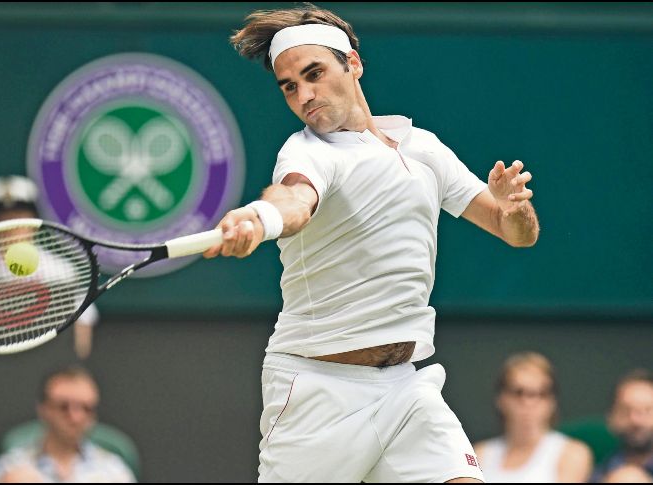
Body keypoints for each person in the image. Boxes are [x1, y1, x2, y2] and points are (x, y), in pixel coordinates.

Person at [202, 4, 540, 482]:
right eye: (290, 86)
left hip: (406, 387)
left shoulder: (423, 149)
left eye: (314, 73)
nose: (304, 95)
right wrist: (261, 218)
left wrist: (513, 208)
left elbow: (516, 234)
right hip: (317, 395)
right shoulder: (306, 152)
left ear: (353, 63)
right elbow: (296, 198)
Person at [0, 175, 99, 359]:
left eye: (19, 215)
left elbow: (82, 333)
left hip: (48, 366)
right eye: (2, 217)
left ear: (34, 219)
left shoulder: (63, 271)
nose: (11, 224)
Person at [0, 366, 135, 483]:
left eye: (86, 408)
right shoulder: (9, 468)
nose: (75, 417)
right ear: (43, 409)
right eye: (64, 407)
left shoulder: (114, 471)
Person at [473, 352, 593, 482]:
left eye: (540, 393)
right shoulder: (479, 454)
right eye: (518, 392)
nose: (528, 402)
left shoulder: (572, 454)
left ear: (552, 402)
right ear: (501, 399)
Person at [592, 369, 653, 482]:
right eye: (625, 411)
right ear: (611, 419)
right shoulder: (599, 475)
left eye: (647, 410)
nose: (636, 420)